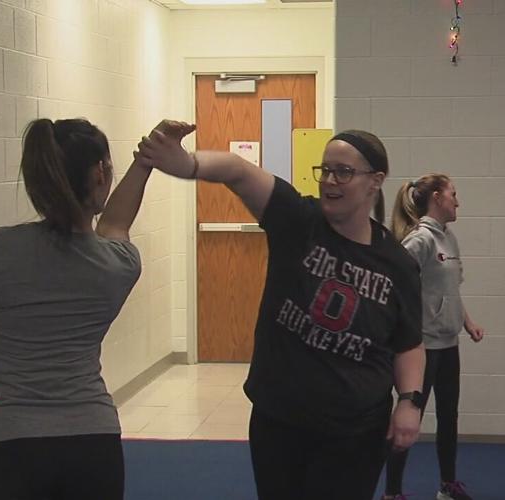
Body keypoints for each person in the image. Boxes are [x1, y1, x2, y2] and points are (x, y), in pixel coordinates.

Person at [136, 120, 426, 499]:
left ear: (375, 181)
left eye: (344, 172)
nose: (330, 181)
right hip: (280, 420)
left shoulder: (398, 265)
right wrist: (188, 164)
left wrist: (410, 402)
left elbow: (408, 344)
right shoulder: (298, 220)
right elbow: (238, 171)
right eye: (325, 170)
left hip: (355, 430)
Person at [0, 118, 189, 499]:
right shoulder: (117, 263)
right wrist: (145, 160)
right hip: (91, 442)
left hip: (8, 443)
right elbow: (116, 222)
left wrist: (0, 321)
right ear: (101, 173)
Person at [382, 174, 484, 500]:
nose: (458, 201)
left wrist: (466, 321)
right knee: (408, 422)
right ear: (437, 198)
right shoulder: (420, 240)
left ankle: (447, 485)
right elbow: (393, 286)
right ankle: (393, 492)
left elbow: (449, 290)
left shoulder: (449, 238)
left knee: (449, 416)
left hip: (449, 343)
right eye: (454, 194)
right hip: (422, 348)